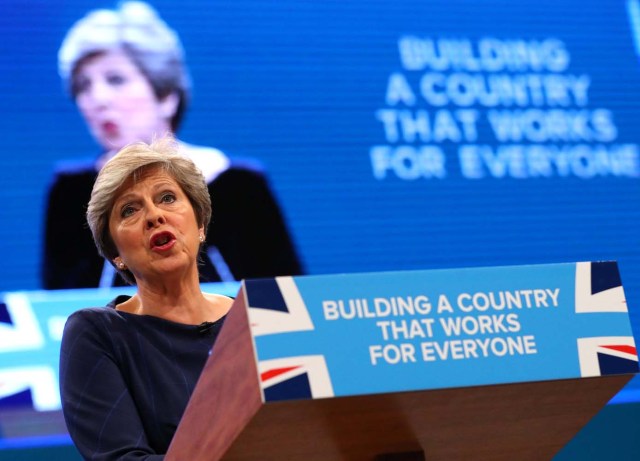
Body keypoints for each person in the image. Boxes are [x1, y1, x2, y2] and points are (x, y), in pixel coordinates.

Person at [43, 1, 302, 289]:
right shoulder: (71, 191)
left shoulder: (239, 184)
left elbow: (290, 307)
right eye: (83, 86)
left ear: (166, 96)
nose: (97, 99)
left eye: (115, 80)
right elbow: (58, 314)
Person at [60, 136, 234, 459]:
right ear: (116, 255)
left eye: (167, 198)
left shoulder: (256, 321)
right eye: (129, 210)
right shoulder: (98, 334)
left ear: (200, 225)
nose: (154, 216)